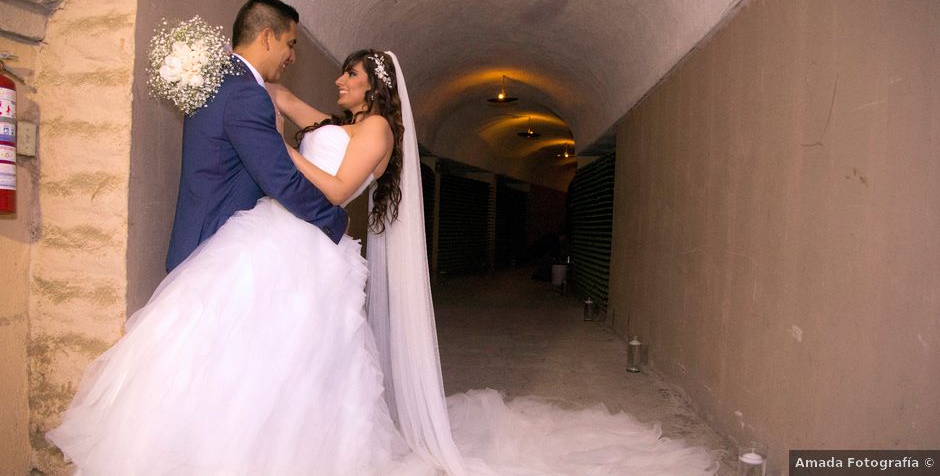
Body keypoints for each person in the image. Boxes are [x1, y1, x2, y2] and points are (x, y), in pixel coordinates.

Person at [48, 48, 718, 475]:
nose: (338, 78)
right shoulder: (341, 124)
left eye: (349, 72)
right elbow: (278, 102)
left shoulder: (378, 131)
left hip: (311, 247)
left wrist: (273, 155)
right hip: (275, 233)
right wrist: (208, 63)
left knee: (302, 364)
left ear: (373, 85)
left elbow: (337, 189)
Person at [164, 0, 347, 272]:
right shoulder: (245, 93)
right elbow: (279, 179)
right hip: (217, 254)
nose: (293, 57)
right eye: (290, 44)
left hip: (198, 243)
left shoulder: (217, 81)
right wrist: (332, 219)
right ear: (267, 37)